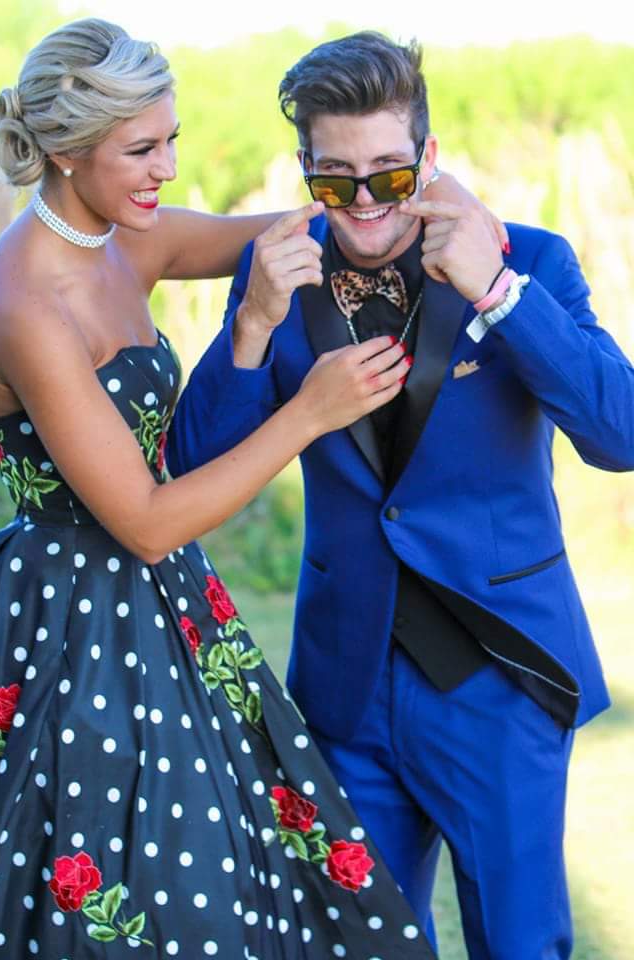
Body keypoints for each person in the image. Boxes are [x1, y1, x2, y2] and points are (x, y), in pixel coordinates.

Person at [168, 30, 634, 960]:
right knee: (355, 944)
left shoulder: (529, 260)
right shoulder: (280, 275)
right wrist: (253, 325)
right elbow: (193, 471)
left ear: (427, 157)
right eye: (336, 180)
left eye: (389, 171)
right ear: (306, 171)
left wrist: (498, 291)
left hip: (499, 674)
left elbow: (617, 435)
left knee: (519, 942)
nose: (366, 201)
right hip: (346, 681)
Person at [0, 18, 448, 958]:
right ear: (71, 155)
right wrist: (308, 413)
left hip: (176, 616)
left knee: (253, 873)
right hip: (74, 624)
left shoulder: (129, 241)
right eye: (143, 149)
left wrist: (430, 204)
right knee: (139, 903)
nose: (166, 168)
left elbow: (320, 227)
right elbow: (149, 522)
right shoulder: (22, 305)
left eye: (172, 140)